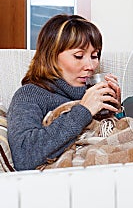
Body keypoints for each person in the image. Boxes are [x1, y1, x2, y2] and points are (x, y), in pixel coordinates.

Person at [7, 14, 123, 171]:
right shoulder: (30, 94)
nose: (90, 65)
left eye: (94, 56)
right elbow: (24, 155)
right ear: (51, 56)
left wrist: (116, 111)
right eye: (79, 56)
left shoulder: (93, 94)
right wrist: (84, 110)